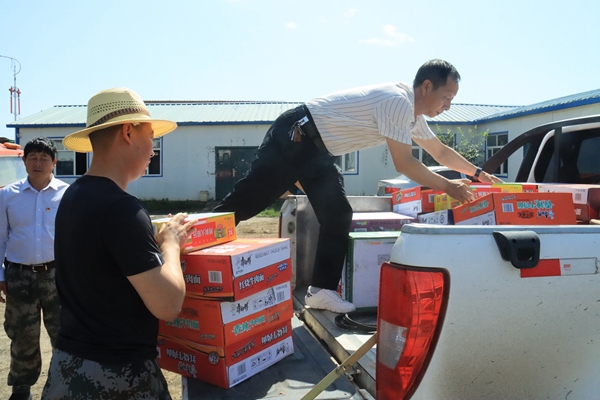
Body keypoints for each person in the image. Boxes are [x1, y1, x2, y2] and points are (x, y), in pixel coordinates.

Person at [214, 59, 502, 314]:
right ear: (427, 86)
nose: (448, 106)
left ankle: (321, 291)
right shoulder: (398, 102)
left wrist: (479, 174)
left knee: (338, 213)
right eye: (447, 97)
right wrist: (449, 186)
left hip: (315, 151)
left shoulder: (411, 115)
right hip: (296, 136)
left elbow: (439, 152)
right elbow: (404, 163)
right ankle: (197, 238)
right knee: (246, 202)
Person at [41, 87, 196, 400]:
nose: (153, 150)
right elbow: (168, 304)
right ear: (128, 132)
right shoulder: (121, 208)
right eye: (151, 137)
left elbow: (104, 267)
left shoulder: (73, 196)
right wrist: (171, 243)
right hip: (118, 376)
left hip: (67, 369)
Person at [0, 137, 69, 400]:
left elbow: (75, 238)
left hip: (57, 276)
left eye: (44, 158)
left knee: (63, 332)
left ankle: (63, 384)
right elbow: (0, 238)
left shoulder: (67, 194)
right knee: (22, 334)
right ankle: (21, 389)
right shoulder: (8, 195)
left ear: (54, 162)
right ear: (24, 160)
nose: (38, 163)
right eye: (33, 157)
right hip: (19, 276)